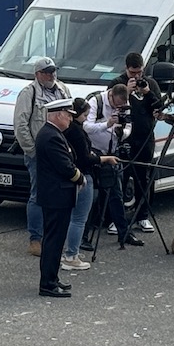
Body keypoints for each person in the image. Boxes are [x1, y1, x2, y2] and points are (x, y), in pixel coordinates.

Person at [14, 56, 71, 257]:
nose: (51, 75)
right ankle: (35, 239)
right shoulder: (28, 93)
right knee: (37, 195)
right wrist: (33, 151)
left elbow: (69, 118)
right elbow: (20, 125)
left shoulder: (63, 90)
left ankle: (53, 237)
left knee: (57, 195)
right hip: (39, 154)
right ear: (37, 74)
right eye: (46, 72)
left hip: (59, 152)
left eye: (53, 71)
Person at [61, 96, 122, 269]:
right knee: (79, 218)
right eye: (85, 115)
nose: (87, 118)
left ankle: (71, 252)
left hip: (75, 174)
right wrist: (104, 159)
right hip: (83, 175)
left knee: (74, 218)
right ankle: (71, 255)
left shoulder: (69, 129)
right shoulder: (77, 132)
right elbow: (84, 158)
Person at [34, 99, 86, 298]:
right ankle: (47, 284)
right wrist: (79, 177)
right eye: (68, 115)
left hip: (57, 195)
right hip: (56, 195)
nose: (70, 119)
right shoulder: (51, 137)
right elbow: (64, 165)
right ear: (57, 115)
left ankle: (52, 278)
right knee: (53, 241)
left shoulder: (54, 134)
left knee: (55, 240)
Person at [85, 85, 145, 249]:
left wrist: (122, 133)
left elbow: (128, 127)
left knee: (116, 195)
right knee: (93, 197)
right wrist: (107, 124)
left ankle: (123, 233)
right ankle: (84, 235)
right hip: (95, 152)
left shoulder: (125, 105)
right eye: (116, 104)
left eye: (121, 105)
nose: (118, 108)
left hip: (113, 153)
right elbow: (86, 127)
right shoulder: (96, 102)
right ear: (110, 95)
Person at [111, 52, 161, 234]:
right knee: (121, 179)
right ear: (126, 69)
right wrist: (127, 91)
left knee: (143, 178)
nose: (137, 76)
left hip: (145, 137)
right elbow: (112, 105)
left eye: (140, 72)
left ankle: (142, 216)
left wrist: (147, 92)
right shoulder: (117, 83)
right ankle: (116, 219)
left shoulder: (150, 83)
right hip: (124, 137)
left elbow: (159, 106)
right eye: (133, 73)